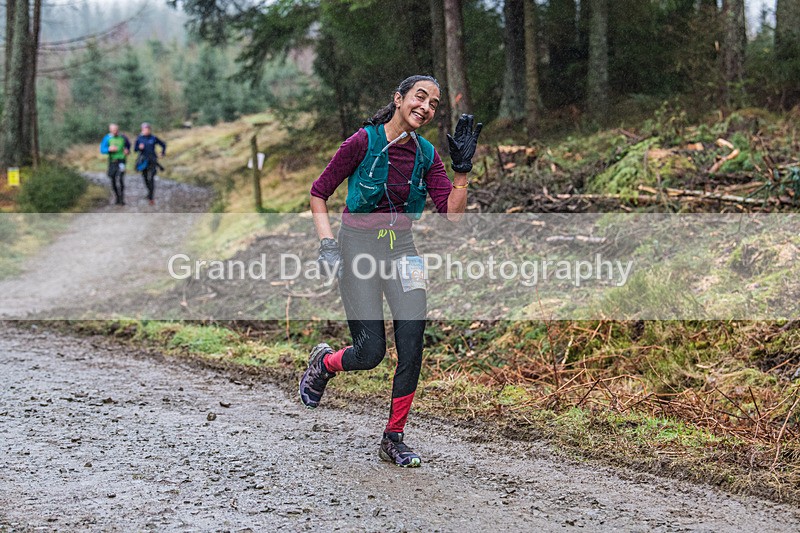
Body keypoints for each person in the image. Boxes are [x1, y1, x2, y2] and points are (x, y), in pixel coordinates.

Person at [299, 75, 482, 467]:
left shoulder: (427, 154)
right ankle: (325, 363)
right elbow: (319, 192)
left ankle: (393, 437)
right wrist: (327, 243)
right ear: (399, 99)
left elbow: (452, 217)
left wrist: (462, 171)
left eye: (434, 104)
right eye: (420, 97)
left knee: (413, 344)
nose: (427, 108)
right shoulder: (363, 142)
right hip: (357, 248)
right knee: (370, 352)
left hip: (403, 249)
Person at [134, 122, 166, 205]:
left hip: (153, 160)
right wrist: (139, 148)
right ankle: (149, 192)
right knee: (145, 178)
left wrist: (162, 153)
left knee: (151, 178)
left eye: (147, 129)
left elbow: (163, 145)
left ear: (150, 129)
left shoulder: (153, 138)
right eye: (144, 129)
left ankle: (151, 198)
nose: (146, 130)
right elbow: (135, 149)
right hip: (143, 161)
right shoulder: (139, 138)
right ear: (142, 130)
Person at [99, 123, 131, 205]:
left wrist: (127, 150)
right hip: (112, 161)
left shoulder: (123, 137)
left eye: (116, 130)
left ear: (118, 129)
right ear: (110, 130)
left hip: (121, 161)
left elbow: (128, 145)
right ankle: (117, 197)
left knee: (120, 178)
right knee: (113, 179)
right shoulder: (107, 138)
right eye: (113, 130)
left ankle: (122, 198)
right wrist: (109, 149)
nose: (115, 131)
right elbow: (102, 149)